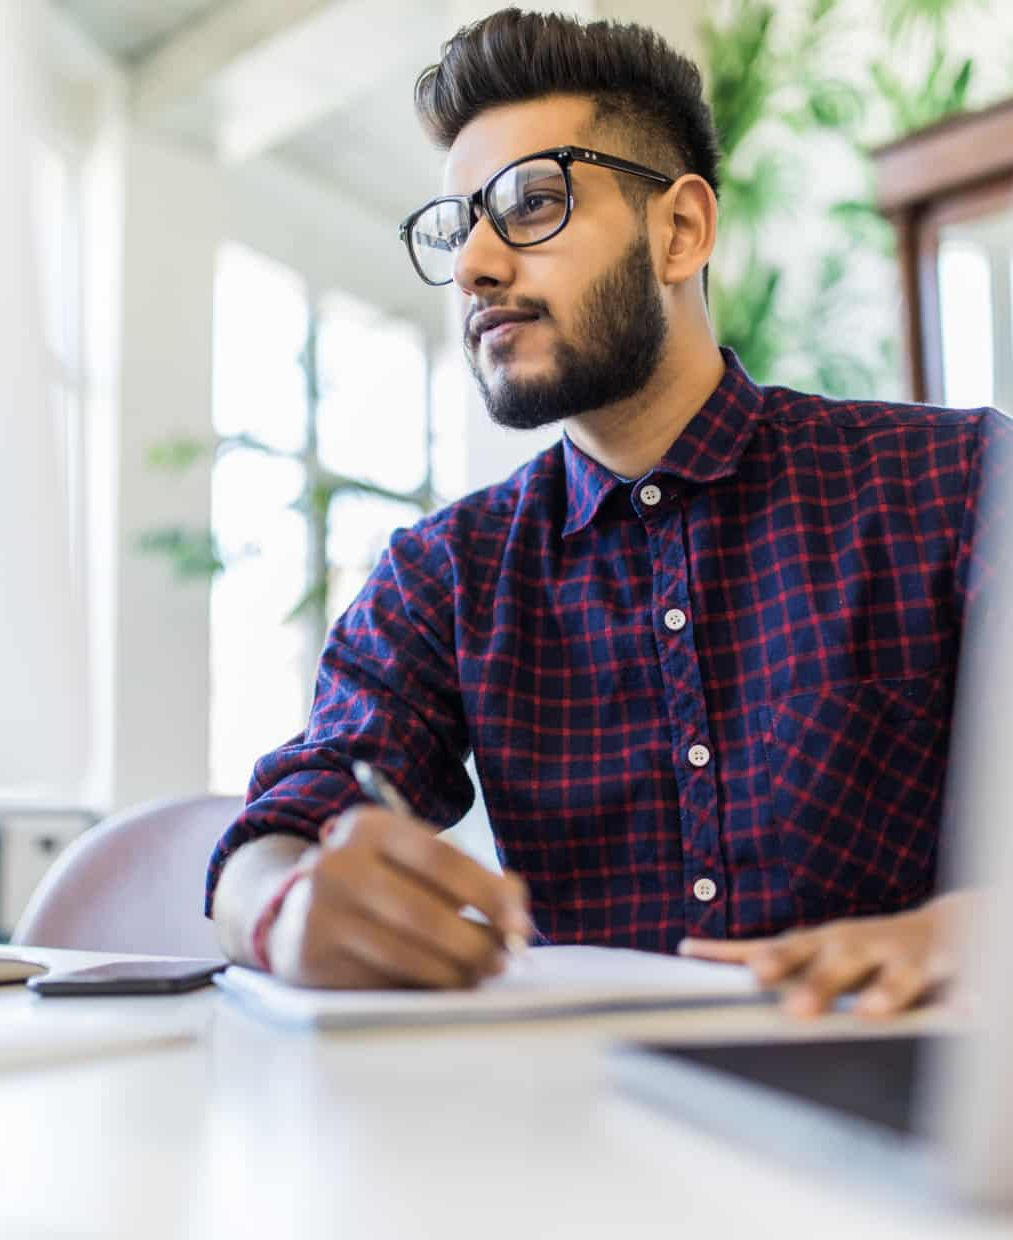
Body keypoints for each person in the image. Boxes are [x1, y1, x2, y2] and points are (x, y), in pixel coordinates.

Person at [208, 8, 1000, 1015]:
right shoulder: (448, 571)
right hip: (580, 1132)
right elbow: (283, 821)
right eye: (458, 229)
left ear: (679, 230)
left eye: (531, 204)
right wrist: (284, 902)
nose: (473, 267)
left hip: (911, 1121)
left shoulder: (957, 481)